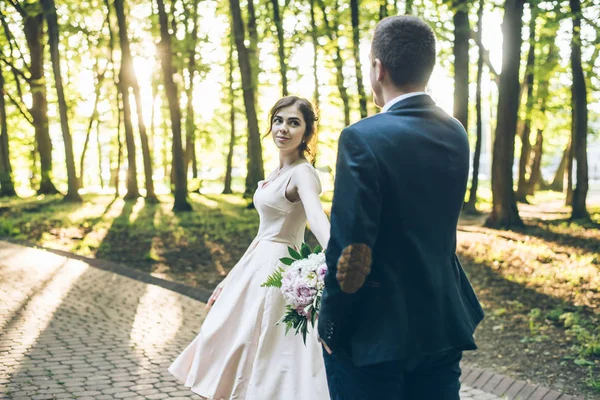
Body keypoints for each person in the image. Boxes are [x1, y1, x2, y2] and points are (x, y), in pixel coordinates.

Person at [317, 15, 485, 400]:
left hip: (375, 333)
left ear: (379, 68)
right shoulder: (455, 132)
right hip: (441, 320)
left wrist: (331, 324)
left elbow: (351, 246)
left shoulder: (361, 138)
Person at [169, 96, 331, 400]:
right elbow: (262, 233)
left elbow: (317, 220)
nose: (283, 128)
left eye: (294, 122)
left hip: (278, 272)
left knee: (260, 347)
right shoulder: (275, 173)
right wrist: (228, 279)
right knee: (223, 338)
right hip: (255, 264)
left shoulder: (303, 173)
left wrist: (338, 258)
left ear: (307, 133)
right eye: (279, 120)